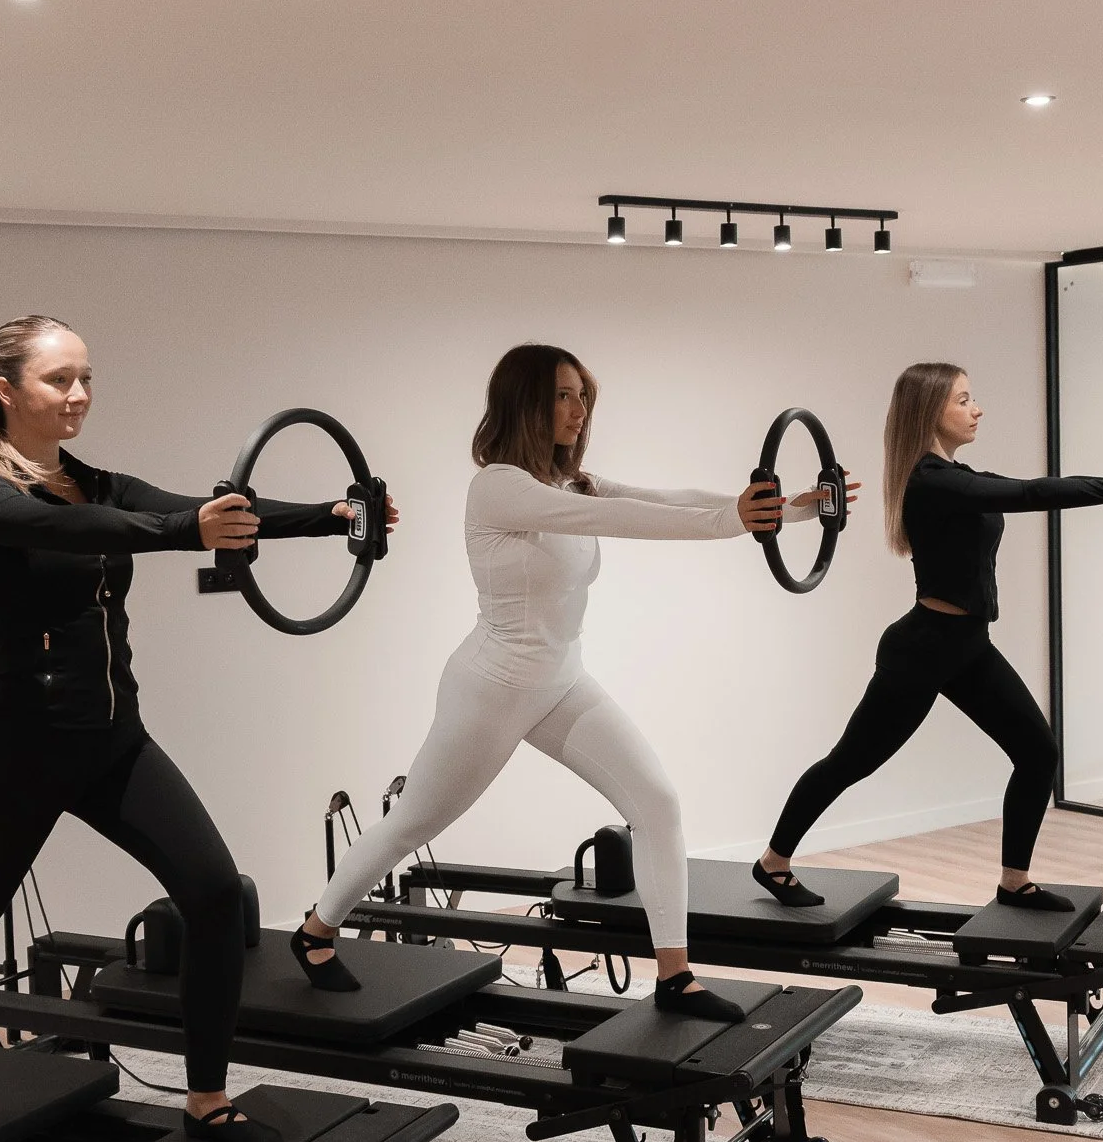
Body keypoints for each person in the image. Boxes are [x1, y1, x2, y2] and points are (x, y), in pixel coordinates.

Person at [0, 314, 393, 1142]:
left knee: (210, 891)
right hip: (23, 743)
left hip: (114, 739)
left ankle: (205, 1100)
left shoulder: (101, 483)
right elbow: (72, 531)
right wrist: (181, 533)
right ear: (6, 390)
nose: (79, 394)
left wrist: (335, 512)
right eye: (60, 380)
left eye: (86, 377)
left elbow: (205, 510)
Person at [293, 342, 794, 1024]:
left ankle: (674, 976)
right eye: (563, 395)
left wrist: (784, 510)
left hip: (561, 680)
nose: (579, 410)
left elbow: (659, 497)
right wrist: (729, 521)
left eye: (583, 395)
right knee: (414, 823)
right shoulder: (498, 486)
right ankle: (315, 932)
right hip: (492, 687)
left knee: (657, 801)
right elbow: (625, 521)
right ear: (525, 403)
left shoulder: (570, 483)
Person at [756, 361, 1103, 910]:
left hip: (967, 647)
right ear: (931, 411)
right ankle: (773, 862)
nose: (977, 409)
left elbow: (1024, 489)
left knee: (1038, 752)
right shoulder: (932, 479)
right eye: (964, 400)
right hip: (924, 650)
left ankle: (1013, 881)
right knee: (851, 762)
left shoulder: (955, 475)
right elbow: (1031, 492)